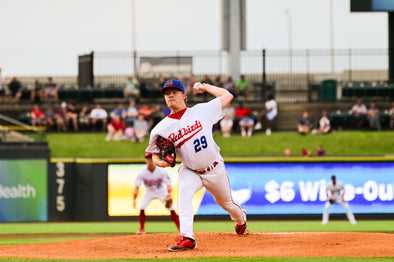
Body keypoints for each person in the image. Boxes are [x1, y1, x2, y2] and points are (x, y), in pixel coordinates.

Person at [146, 79, 247, 252]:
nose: (170, 95)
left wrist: (205, 87)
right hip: (190, 170)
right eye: (167, 93)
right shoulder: (160, 128)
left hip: (214, 168)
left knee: (227, 204)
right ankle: (187, 237)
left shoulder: (202, 111)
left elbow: (227, 95)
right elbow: (153, 153)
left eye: (174, 92)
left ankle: (241, 219)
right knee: (184, 194)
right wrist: (160, 162)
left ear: (184, 96)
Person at [133, 152, 180, 235]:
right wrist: (134, 199)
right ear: (145, 160)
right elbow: (136, 186)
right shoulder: (142, 172)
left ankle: (180, 229)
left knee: (171, 208)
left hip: (161, 191)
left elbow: (169, 185)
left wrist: (168, 194)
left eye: (151, 158)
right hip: (149, 191)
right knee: (142, 207)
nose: (149, 160)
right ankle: (141, 229)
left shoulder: (161, 171)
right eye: (147, 159)